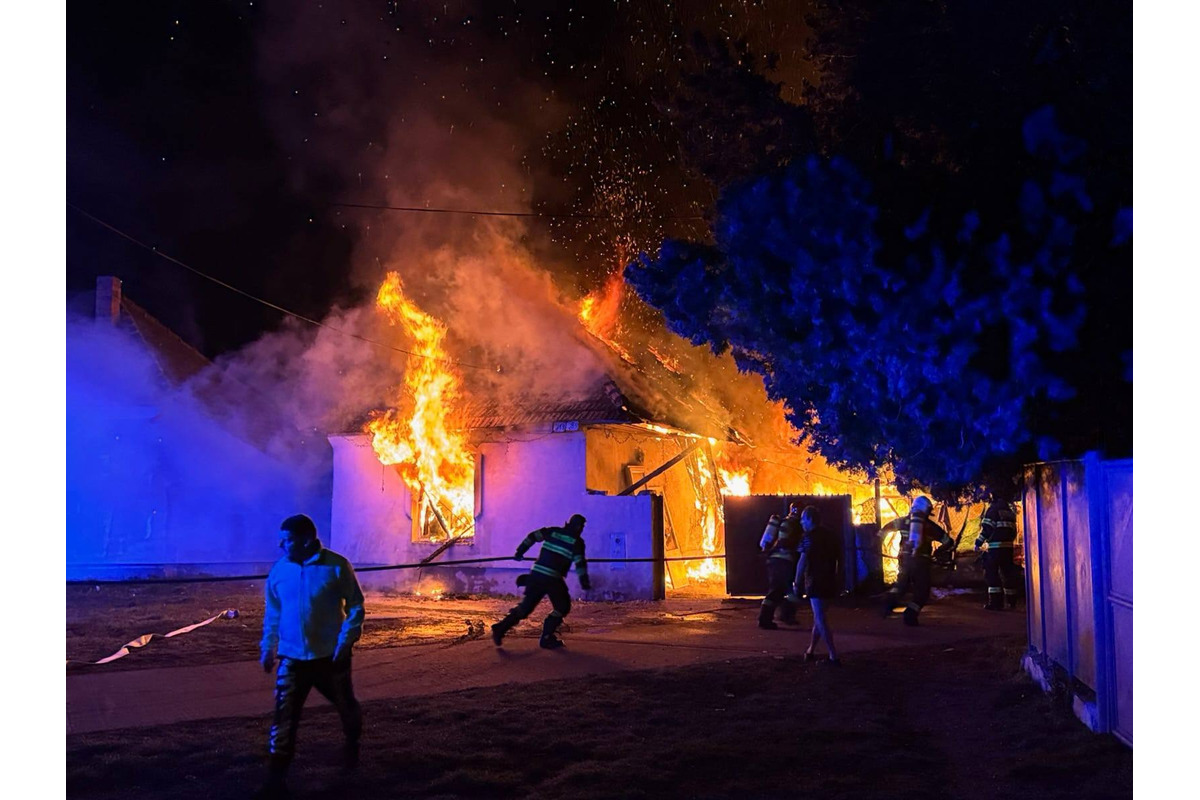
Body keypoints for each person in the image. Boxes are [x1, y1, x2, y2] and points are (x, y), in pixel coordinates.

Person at [256, 514, 365, 799]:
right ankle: (275, 781)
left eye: (288, 540)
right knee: (284, 717)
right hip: (291, 659)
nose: (281, 545)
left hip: (330, 659)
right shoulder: (280, 571)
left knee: (346, 706)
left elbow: (356, 607)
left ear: (306, 540)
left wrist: (345, 642)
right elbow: (274, 612)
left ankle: (352, 744)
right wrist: (268, 647)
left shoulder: (336, 566)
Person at [491, 514, 591, 649]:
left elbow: (532, 536)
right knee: (562, 607)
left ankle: (501, 628)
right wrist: (584, 581)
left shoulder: (553, 531)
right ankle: (547, 637)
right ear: (578, 527)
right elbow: (580, 563)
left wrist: (520, 552)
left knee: (525, 608)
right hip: (552, 578)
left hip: (537, 574)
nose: (582, 529)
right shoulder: (577, 542)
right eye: (582, 526)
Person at [880, 496, 952, 626]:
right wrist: (939, 552)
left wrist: (876, 542)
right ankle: (910, 615)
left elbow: (884, 530)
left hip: (904, 560)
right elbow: (948, 542)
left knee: (901, 585)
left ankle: (888, 605)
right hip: (921, 563)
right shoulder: (930, 527)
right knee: (922, 591)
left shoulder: (902, 522)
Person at [795, 506, 841, 664]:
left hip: (815, 581)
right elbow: (839, 559)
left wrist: (797, 582)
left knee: (820, 618)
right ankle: (811, 650)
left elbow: (802, 561)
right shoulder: (831, 535)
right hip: (830, 581)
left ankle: (833, 656)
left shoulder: (808, 538)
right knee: (818, 618)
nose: (801, 522)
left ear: (809, 519)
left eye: (803, 518)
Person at [757, 504, 802, 629]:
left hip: (774, 561)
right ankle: (765, 620)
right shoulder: (798, 526)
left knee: (783, 591)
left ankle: (786, 616)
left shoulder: (783, 522)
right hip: (785, 562)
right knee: (779, 591)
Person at [975, 496, 1020, 610]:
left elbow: (987, 528)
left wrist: (978, 543)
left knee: (992, 574)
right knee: (1008, 575)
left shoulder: (993, 510)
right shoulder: (1009, 512)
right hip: (1008, 548)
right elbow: (1014, 531)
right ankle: (1011, 602)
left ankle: (996, 603)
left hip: (995, 548)